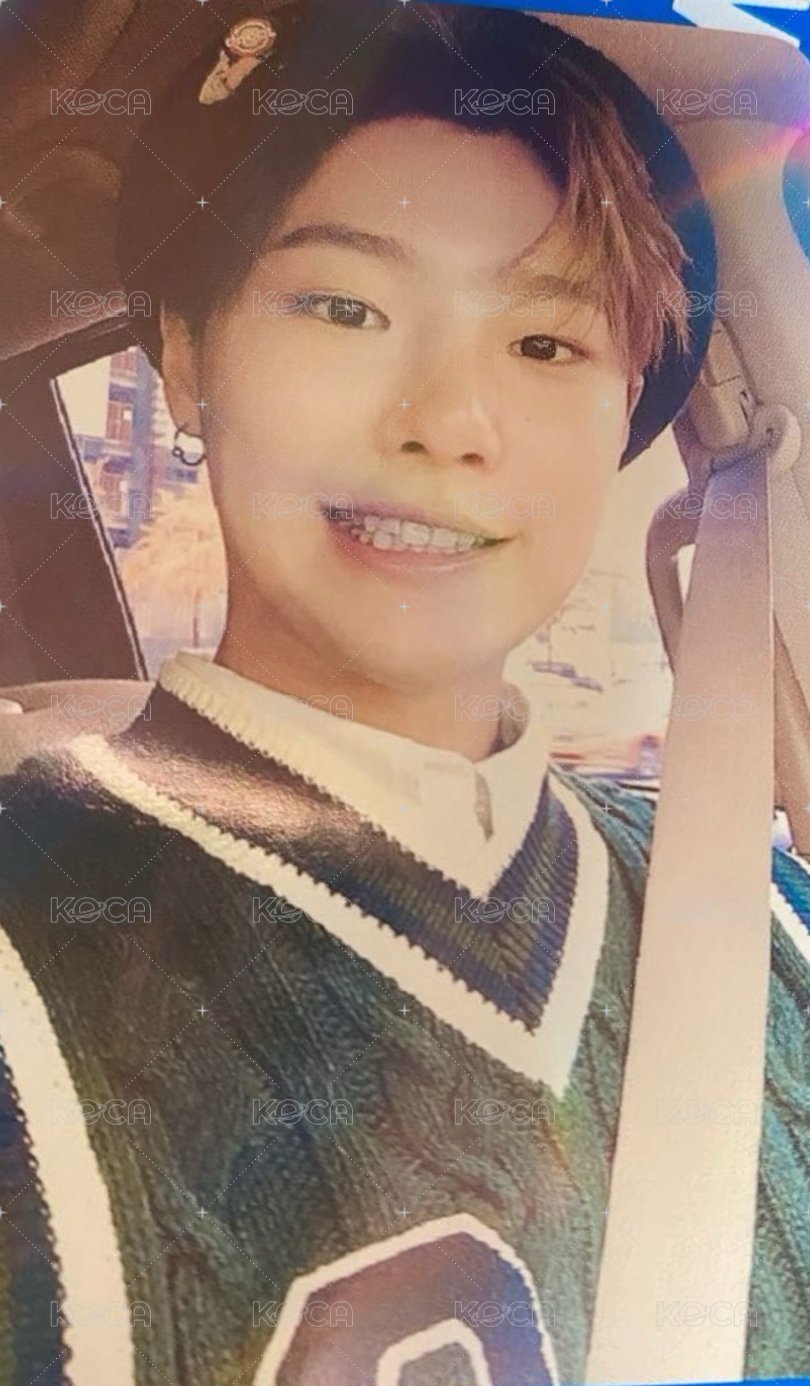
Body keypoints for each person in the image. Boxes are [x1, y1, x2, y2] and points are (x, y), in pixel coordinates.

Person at [1, 3, 809, 1382]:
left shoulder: (768, 923)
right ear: (187, 358)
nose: (446, 422)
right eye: (345, 308)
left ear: (626, 410)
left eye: (544, 344)